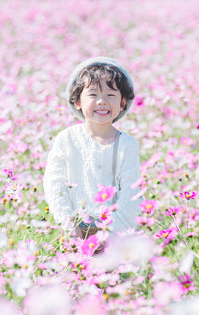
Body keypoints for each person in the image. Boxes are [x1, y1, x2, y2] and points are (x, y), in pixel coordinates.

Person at [43, 57, 141, 242]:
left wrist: (110, 232)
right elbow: (54, 184)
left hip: (116, 234)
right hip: (74, 230)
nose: (102, 101)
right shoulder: (67, 139)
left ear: (122, 103)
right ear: (77, 101)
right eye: (93, 94)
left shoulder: (127, 145)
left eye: (111, 95)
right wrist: (69, 226)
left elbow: (131, 192)